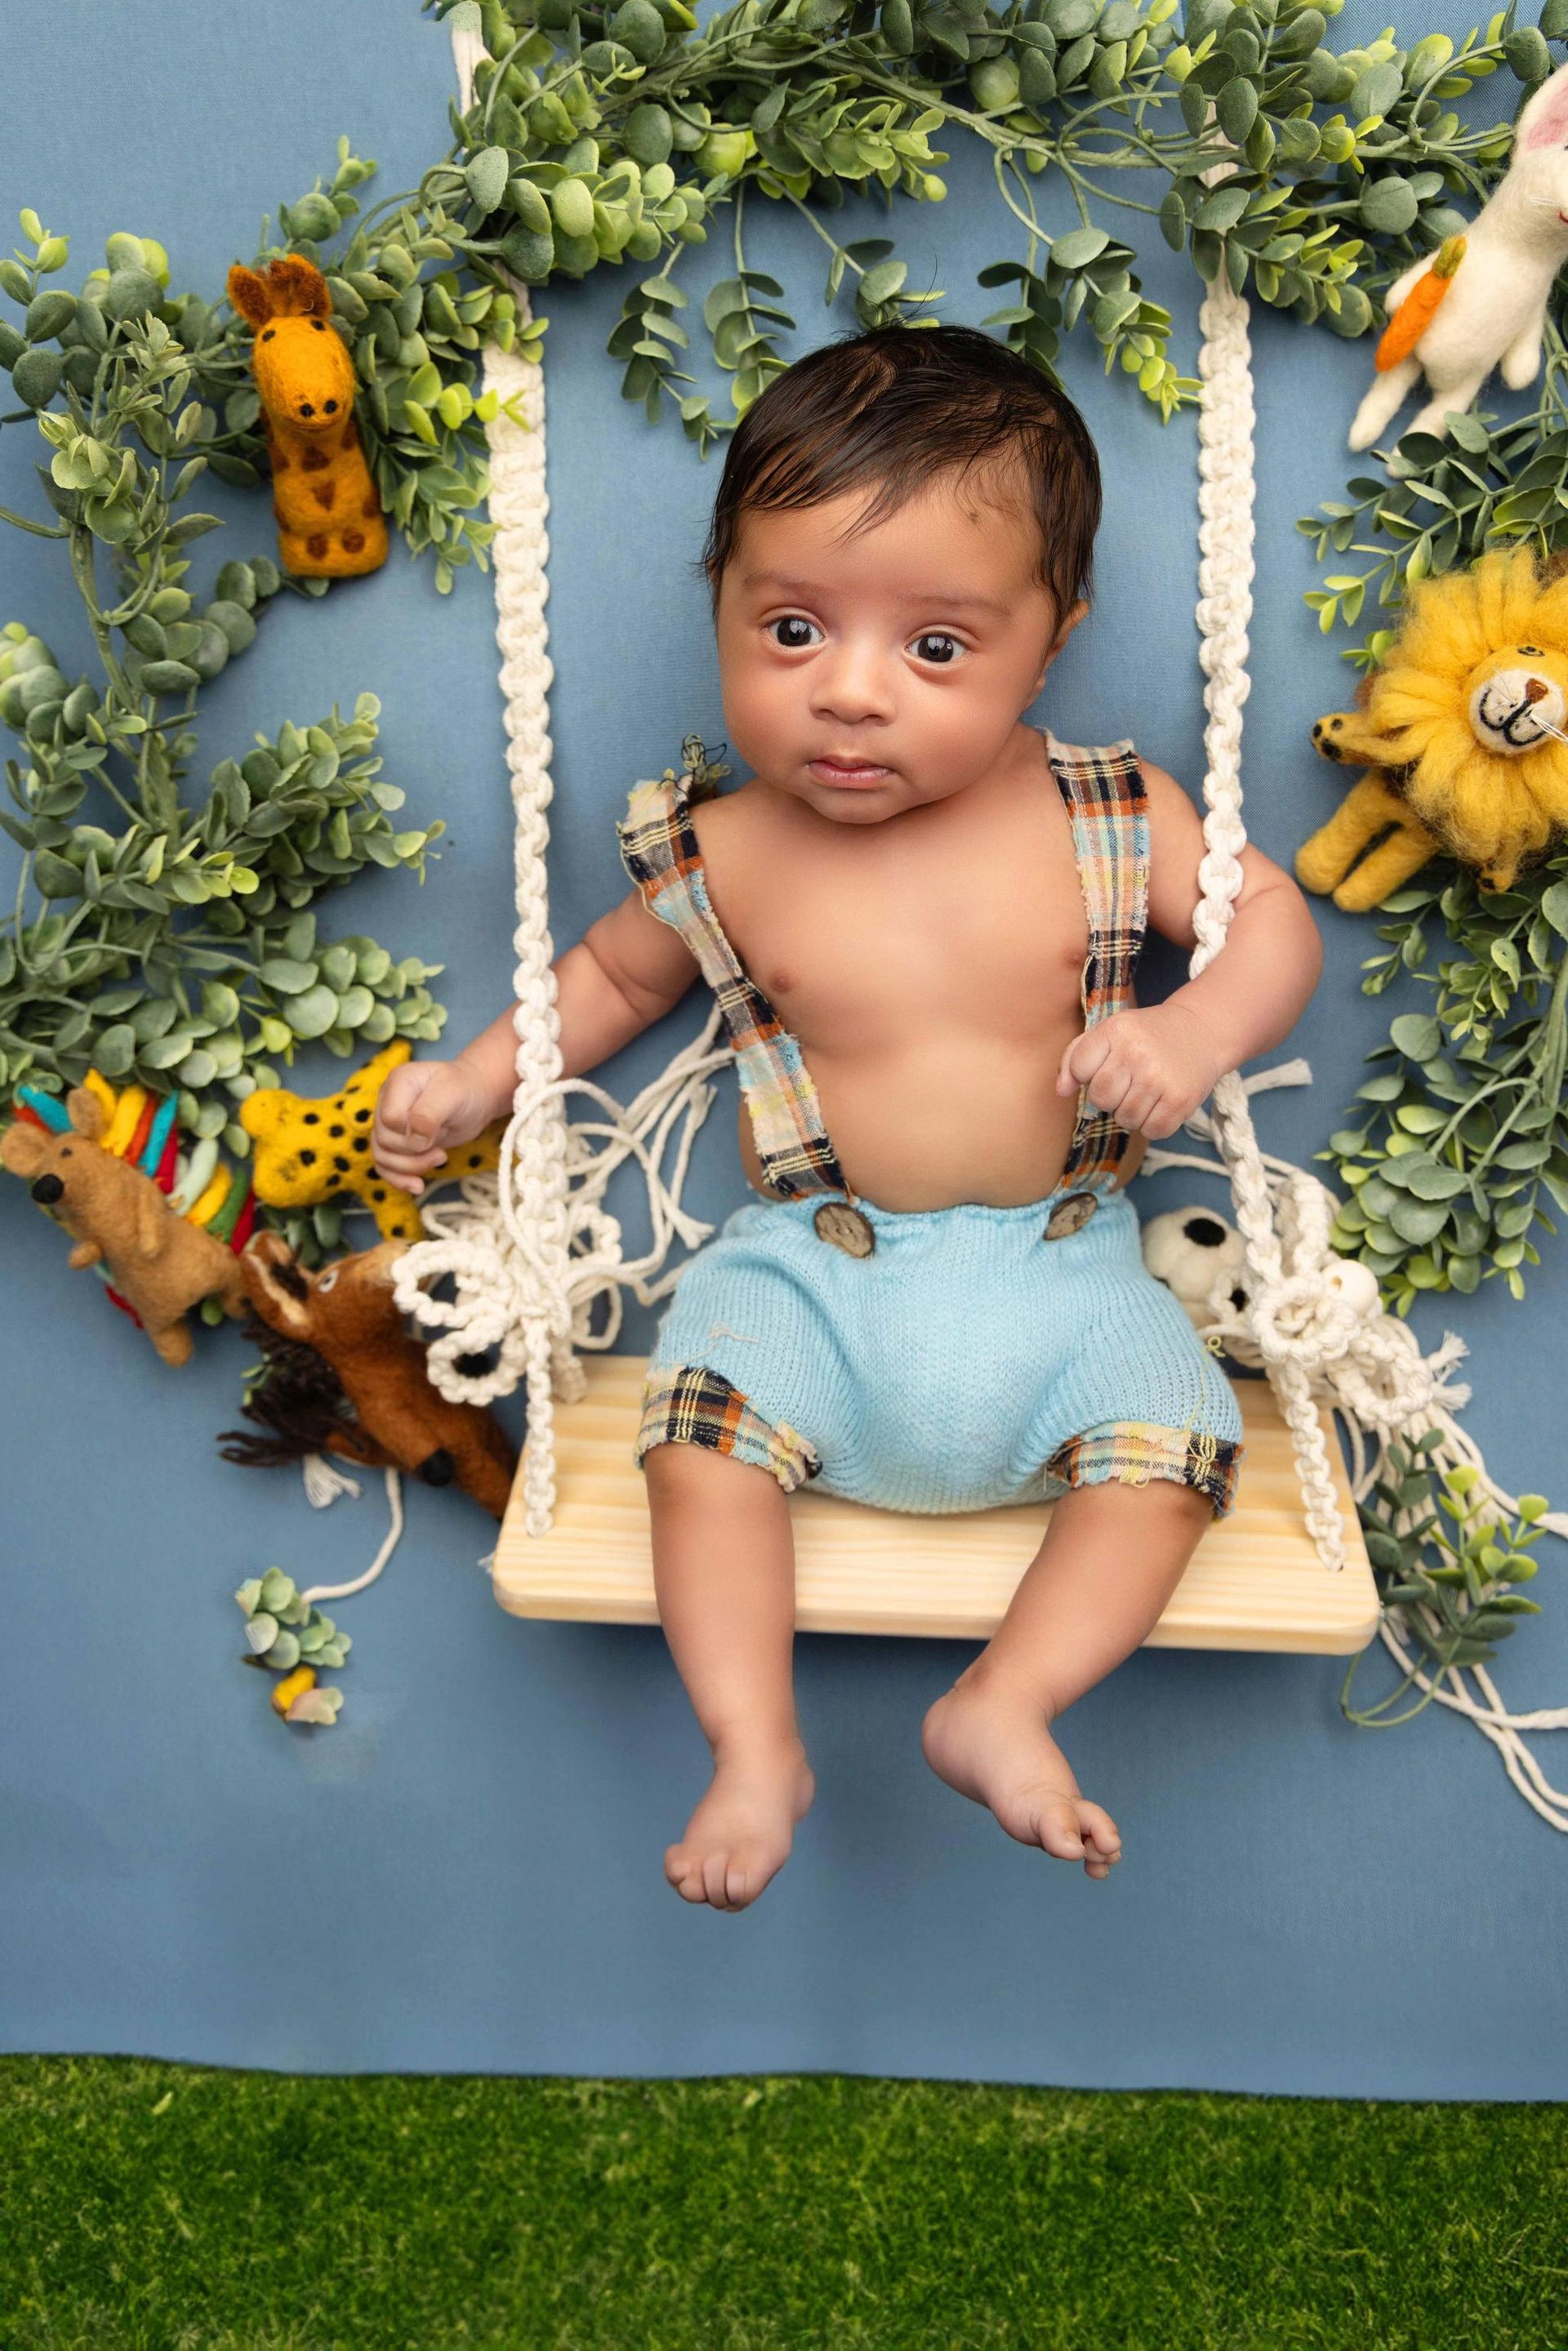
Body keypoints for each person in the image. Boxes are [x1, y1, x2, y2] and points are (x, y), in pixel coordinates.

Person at [372, 324, 1323, 1913]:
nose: (853, 695)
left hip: (1066, 1273)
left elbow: (1269, 918)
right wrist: (475, 1082)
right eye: (793, 627)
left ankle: (1004, 1700)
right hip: (814, 1275)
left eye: (937, 649)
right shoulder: (727, 849)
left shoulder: (1104, 809)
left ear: (1050, 643)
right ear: (724, 608)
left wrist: (1193, 1028)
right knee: (698, 1449)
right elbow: (608, 981)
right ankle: (756, 1746)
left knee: (1172, 1458)